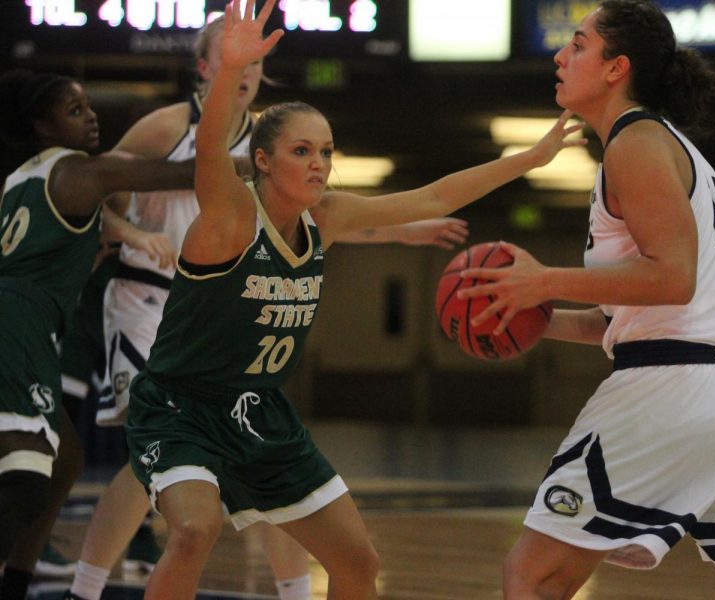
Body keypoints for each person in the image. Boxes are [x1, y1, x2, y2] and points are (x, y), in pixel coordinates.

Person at [119, 2, 579, 599]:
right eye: (302, 151)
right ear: (262, 161)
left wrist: (531, 160)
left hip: (260, 412)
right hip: (182, 408)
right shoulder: (231, 216)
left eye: (327, 151)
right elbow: (209, 155)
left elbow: (435, 195)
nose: (320, 164)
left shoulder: (327, 217)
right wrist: (229, 71)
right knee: (193, 531)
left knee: (359, 563)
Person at [65, 13, 469, 600]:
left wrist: (399, 233)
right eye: (238, 60)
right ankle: (86, 586)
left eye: (257, 62)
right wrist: (129, 233)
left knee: (267, 472)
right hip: (150, 301)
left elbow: (309, 221)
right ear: (207, 65)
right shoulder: (168, 128)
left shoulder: (274, 141)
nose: (251, 71)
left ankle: (293, 590)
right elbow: (95, 191)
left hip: (225, 308)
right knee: (146, 462)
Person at [458, 1, 715, 598]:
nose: (562, 56)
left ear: (617, 68)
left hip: (677, 388)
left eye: (579, 44)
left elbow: (673, 279)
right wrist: (533, 316)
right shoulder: (665, 144)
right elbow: (638, 314)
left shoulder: (634, 144)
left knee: (530, 576)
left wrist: (544, 281)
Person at [0, 69, 196, 600]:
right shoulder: (77, 170)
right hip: (17, 322)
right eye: (73, 109)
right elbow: (171, 174)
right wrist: (254, 162)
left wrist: (125, 235)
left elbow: (93, 228)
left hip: (31, 322)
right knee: (23, 478)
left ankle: (17, 579)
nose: (90, 118)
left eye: (89, 106)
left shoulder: (22, 177)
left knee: (65, 458)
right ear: (43, 125)